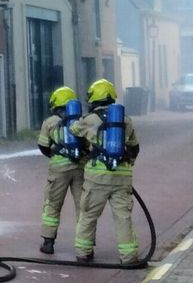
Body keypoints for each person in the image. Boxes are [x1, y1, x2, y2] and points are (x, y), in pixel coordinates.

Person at [72, 78, 141, 264]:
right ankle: (129, 257)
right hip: (122, 177)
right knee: (123, 217)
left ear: (93, 98)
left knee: (88, 215)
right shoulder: (125, 120)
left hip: (97, 177)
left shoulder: (89, 119)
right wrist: (126, 166)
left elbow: (73, 131)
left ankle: (83, 253)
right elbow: (134, 147)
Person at [36, 86, 86, 254]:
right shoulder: (82, 120)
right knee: (82, 207)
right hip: (80, 168)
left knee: (52, 205)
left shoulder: (49, 122)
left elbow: (43, 146)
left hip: (58, 169)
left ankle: (48, 243)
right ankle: (85, 247)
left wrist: (55, 154)